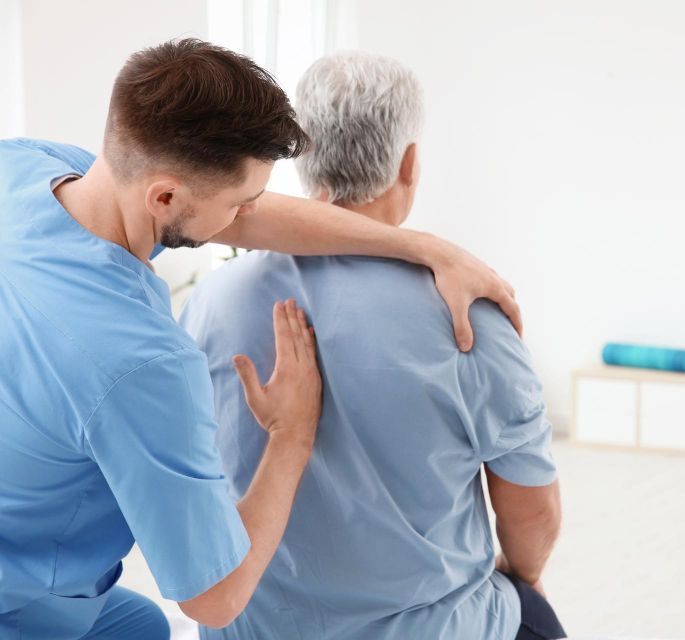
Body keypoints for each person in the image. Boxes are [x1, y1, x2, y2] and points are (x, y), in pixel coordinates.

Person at [0, 39, 521, 639]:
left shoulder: (28, 169)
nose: (247, 216)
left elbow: (251, 216)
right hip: (21, 601)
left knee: (139, 624)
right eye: (239, 202)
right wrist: (291, 436)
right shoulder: (141, 362)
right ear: (164, 197)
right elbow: (215, 598)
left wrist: (427, 248)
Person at [180, 51, 565, 640]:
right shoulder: (470, 317)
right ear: (409, 164)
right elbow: (529, 511)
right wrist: (523, 575)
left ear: (299, 156)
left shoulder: (212, 301)